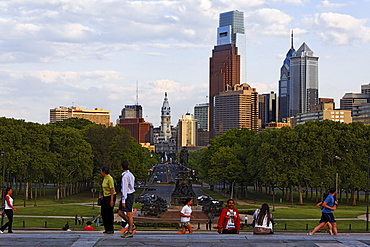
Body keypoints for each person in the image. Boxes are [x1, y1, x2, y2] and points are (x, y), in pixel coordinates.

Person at [118, 160, 136, 238]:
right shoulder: (130, 175)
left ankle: (130, 230)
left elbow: (125, 188)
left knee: (128, 214)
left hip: (127, 195)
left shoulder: (125, 176)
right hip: (129, 194)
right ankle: (132, 225)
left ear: (121, 167)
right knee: (120, 212)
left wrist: (123, 200)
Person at [100, 166, 116, 234]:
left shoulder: (110, 178)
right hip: (105, 196)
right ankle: (106, 228)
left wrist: (111, 200)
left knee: (109, 213)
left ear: (104, 172)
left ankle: (110, 228)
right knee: (103, 213)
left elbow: (111, 189)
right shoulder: (105, 178)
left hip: (110, 196)